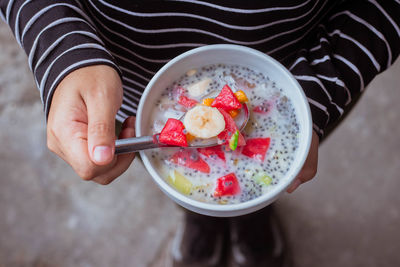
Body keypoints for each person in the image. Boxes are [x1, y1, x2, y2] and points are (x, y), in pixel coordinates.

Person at [1, 1, 399, 266]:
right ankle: (200, 216)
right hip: (130, 83)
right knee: (176, 175)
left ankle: (253, 213)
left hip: (306, 79)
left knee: (274, 181)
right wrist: (65, 51)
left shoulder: (309, 92)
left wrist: (318, 88)